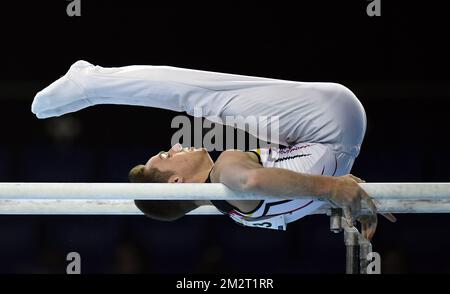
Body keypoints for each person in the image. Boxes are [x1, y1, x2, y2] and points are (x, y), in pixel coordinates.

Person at [32, 60, 395, 239]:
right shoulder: (225, 172)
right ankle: (91, 82)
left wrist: (337, 193)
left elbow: (283, 187)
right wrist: (335, 189)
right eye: (166, 156)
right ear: (175, 182)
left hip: (331, 135)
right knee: (199, 97)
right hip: (328, 121)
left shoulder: (241, 214)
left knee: (206, 103)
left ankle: (92, 85)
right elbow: (251, 179)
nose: (174, 147)